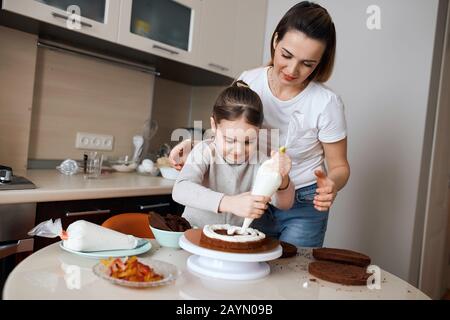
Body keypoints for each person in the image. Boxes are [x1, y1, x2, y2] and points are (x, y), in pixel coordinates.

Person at [170, 2, 350, 247]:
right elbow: (228, 129)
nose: (292, 69)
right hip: (255, 191)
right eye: (287, 55)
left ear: (320, 62)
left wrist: (332, 184)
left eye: (308, 64)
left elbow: (339, 166)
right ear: (276, 40)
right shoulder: (249, 80)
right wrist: (198, 145)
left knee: (292, 272)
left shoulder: (326, 103)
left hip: (302, 198)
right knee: (260, 268)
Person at [172, 81, 294, 228]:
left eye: (248, 142)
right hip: (196, 233)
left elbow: (284, 204)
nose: (239, 150)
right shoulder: (204, 151)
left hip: (238, 241)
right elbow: (181, 190)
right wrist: (229, 203)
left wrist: (283, 177)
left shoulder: (262, 162)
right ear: (214, 126)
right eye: (230, 140)